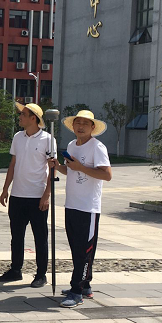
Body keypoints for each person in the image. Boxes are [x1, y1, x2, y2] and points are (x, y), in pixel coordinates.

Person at [50, 110, 112, 308]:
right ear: (73, 125)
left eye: (86, 123)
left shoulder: (97, 147)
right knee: (76, 248)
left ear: (93, 127)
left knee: (84, 251)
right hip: (72, 204)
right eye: (78, 123)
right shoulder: (71, 145)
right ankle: (85, 285)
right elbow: (70, 170)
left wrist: (80, 167)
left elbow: (107, 175)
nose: (81, 126)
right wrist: (57, 166)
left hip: (88, 207)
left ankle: (76, 291)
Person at [0, 102, 55, 285]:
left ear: (33, 118)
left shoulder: (48, 139)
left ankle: (41, 274)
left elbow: (52, 168)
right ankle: (16, 269)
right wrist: (6, 188)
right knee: (16, 236)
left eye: (23, 114)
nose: (20, 117)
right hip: (17, 195)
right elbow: (13, 164)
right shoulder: (18, 137)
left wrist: (47, 195)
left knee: (40, 237)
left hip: (37, 196)